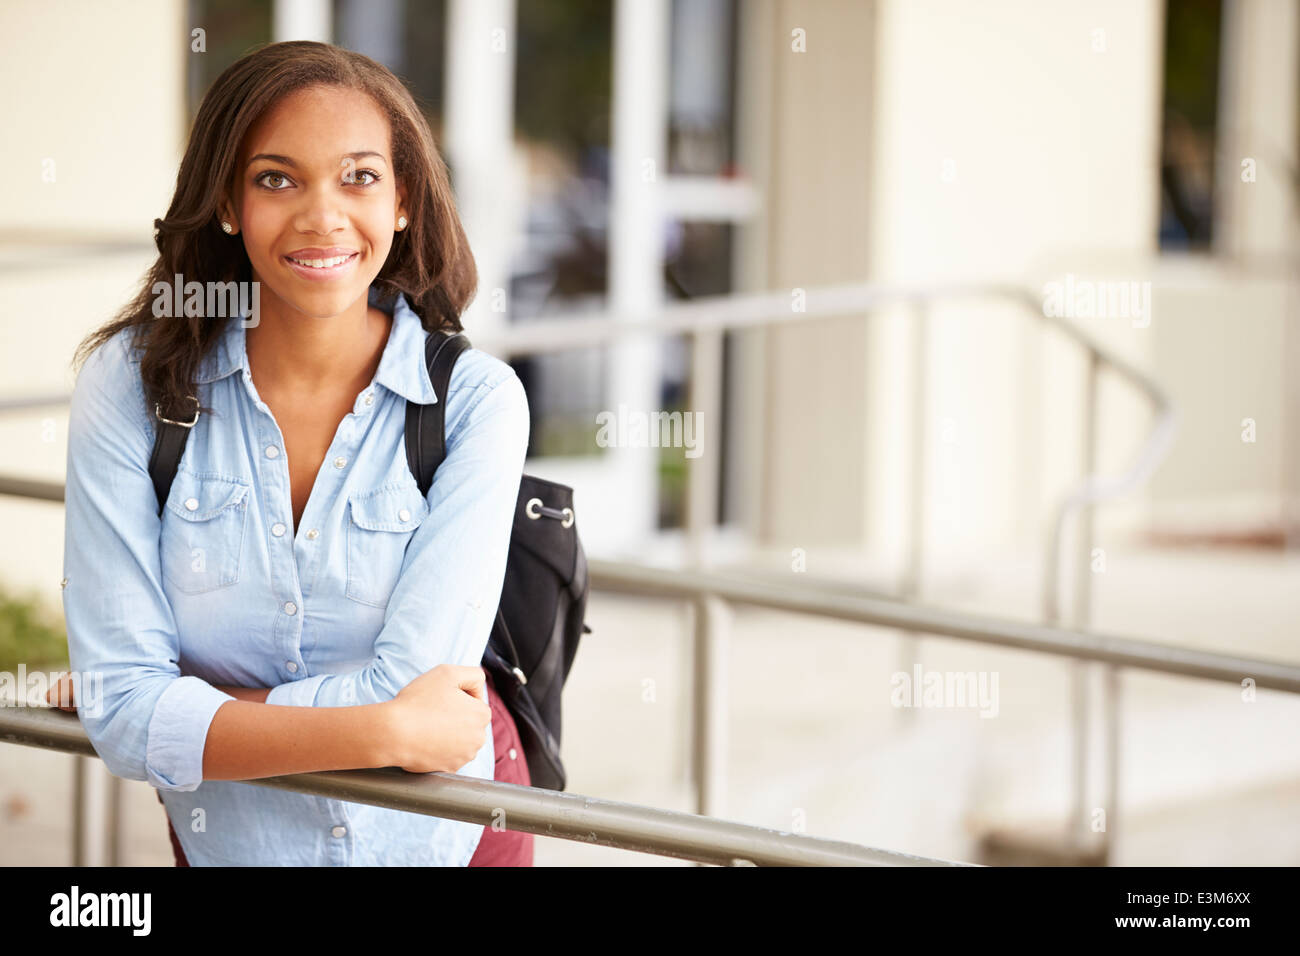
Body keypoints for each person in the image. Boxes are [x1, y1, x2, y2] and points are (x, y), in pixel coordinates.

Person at [53, 40, 534, 866]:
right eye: (276, 178)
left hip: (442, 840)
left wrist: (189, 712)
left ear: (404, 201)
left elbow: (134, 710)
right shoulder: (132, 386)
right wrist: (384, 725)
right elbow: (126, 713)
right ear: (230, 203)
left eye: (359, 177)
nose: (322, 216)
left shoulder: (477, 403)